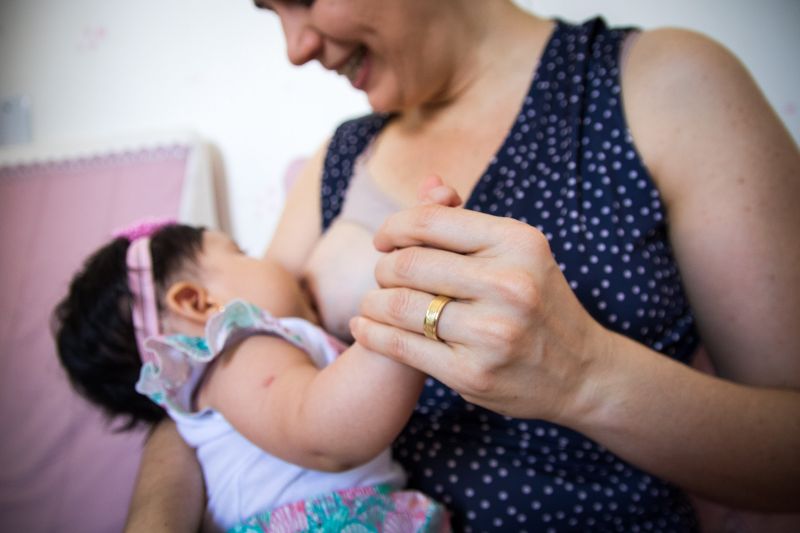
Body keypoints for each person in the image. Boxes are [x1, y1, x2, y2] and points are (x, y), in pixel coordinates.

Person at [127, 1, 800, 531]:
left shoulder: (665, 84)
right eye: (271, 10)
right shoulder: (338, 160)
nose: (294, 48)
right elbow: (205, 370)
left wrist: (587, 377)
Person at [53, 219, 453, 532]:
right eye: (242, 253)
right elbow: (324, 435)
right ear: (198, 302)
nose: (272, 263)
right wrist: (404, 311)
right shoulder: (235, 353)